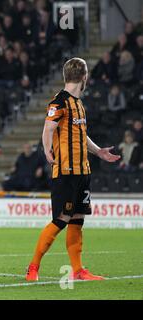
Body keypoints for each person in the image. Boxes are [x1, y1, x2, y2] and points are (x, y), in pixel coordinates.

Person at [26, 57, 121, 282]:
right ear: (84, 77)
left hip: (82, 171)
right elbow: (48, 127)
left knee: (77, 219)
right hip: (66, 172)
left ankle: (78, 270)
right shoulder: (59, 101)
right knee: (61, 219)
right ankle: (33, 267)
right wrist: (47, 150)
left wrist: (98, 152)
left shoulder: (78, 104)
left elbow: (81, 134)